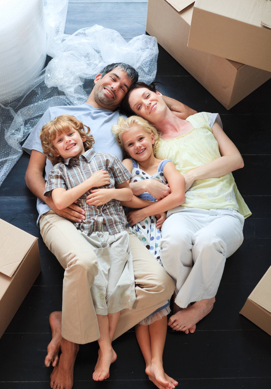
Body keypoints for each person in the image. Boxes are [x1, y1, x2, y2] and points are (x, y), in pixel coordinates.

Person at [23, 63, 188, 389]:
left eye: (125, 86)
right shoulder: (58, 114)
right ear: (99, 78)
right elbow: (33, 173)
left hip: (110, 219)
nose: (117, 86)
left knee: (161, 286)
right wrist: (57, 201)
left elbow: (180, 114)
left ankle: (67, 327)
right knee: (81, 262)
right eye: (114, 78)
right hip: (62, 213)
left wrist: (148, 192)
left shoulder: (122, 126)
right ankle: (70, 353)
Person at [120, 81, 251, 335]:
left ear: (159, 94)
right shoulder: (151, 143)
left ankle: (200, 302)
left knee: (208, 241)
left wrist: (190, 176)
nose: (147, 103)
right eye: (139, 106)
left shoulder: (204, 120)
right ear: (140, 117)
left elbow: (236, 160)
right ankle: (192, 292)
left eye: (148, 96)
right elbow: (134, 175)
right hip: (182, 211)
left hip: (224, 211)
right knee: (172, 242)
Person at [40, 114, 136, 381]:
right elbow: (59, 202)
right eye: (60, 140)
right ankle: (106, 349)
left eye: (71, 134)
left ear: (82, 135)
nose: (67, 140)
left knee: (117, 288)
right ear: (54, 150)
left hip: (116, 232)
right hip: (89, 237)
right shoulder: (59, 171)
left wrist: (111, 193)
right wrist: (92, 183)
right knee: (97, 291)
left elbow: (129, 194)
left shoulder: (106, 159)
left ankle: (106, 350)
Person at [112, 115, 186, 389]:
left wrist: (146, 210)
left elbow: (178, 196)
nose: (137, 145)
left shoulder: (166, 166)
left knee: (160, 299)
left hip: (155, 233)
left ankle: (156, 362)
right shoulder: (129, 166)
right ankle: (152, 362)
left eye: (141, 138)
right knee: (145, 295)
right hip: (132, 236)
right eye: (130, 144)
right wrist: (143, 189)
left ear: (152, 137)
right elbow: (118, 191)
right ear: (126, 149)